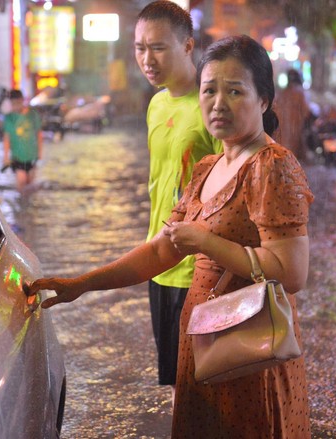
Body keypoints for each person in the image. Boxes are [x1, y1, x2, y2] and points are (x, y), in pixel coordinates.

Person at [28, 34, 313, 438]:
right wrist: (83, 284)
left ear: (263, 100)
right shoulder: (208, 168)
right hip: (203, 340)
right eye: (209, 90)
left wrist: (205, 242)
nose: (218, 103)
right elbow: (161, 250)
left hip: (251, 350)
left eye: (235, 91)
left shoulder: (272, 167)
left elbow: (292, 273)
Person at [133, 1, 223, 397]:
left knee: (207, 387)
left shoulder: (213, 107)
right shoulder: (156, 104)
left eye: (158, 47)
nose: (147, 59)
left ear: (188, 46)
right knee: (177, 387)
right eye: (139, 48)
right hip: (160, 264)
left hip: (201, 272)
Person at [2, 89, 43, 192]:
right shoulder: (9, 118)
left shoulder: (33, 115)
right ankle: (20, 205)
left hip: (32, 156)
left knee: (30, 185)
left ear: (22, 100)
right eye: (12, 104)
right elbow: (7, 138)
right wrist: (6, 156)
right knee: (21, 183)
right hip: (18, 157)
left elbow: (39, 134)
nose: (15, 106)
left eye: (17, 103)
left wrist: (40, 152)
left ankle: (28, 206)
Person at [274, 69, 310, 162]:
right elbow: (305, 111)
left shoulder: (283, 93)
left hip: (283, 128)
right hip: (294, 127)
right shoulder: (299, 93)